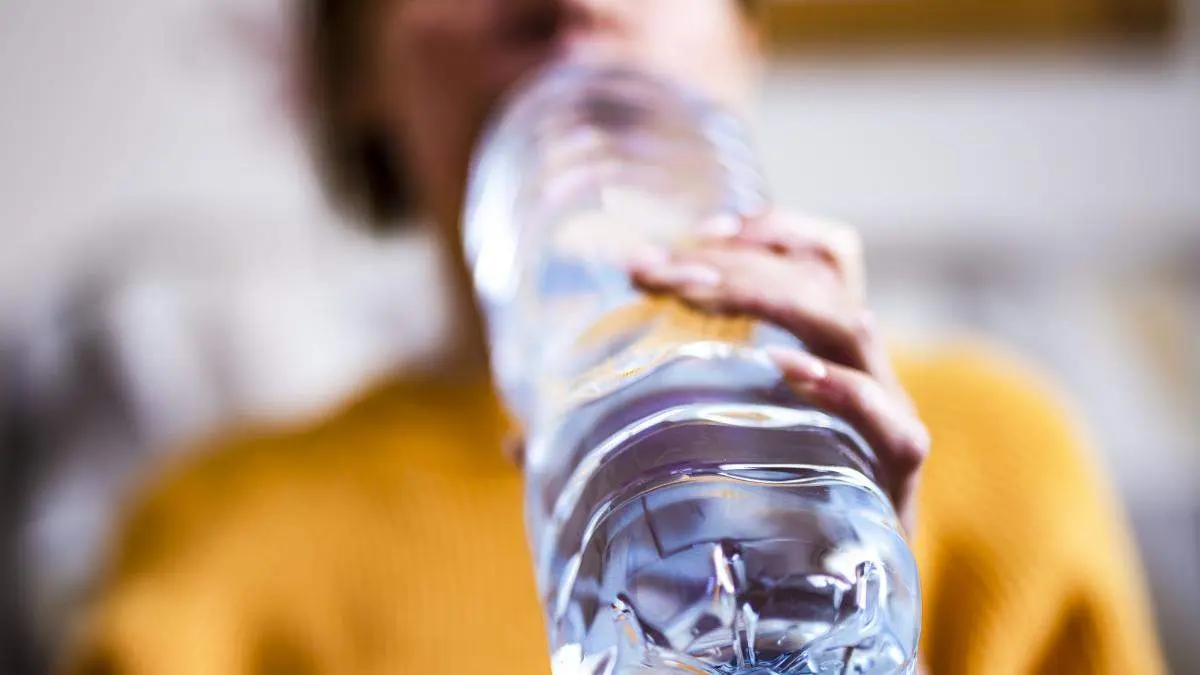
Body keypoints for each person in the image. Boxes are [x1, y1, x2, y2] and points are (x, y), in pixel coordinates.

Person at [67, 1, 1165, 674]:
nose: (572, 4)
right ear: (349, 70)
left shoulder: (1002, 457)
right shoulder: (218, 541)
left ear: (745, 31)